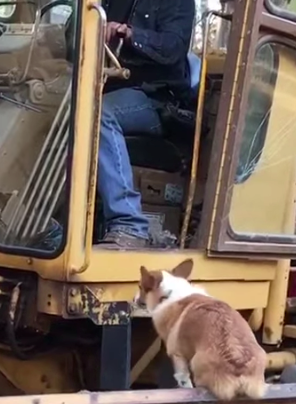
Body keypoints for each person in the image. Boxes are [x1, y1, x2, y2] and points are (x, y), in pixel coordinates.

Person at [96, 0, 195, 249]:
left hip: (156, 99)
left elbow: (173, 49)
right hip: (109, 89)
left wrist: (129, 34)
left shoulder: (179, 4)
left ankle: (129, 222)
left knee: (96, 113)